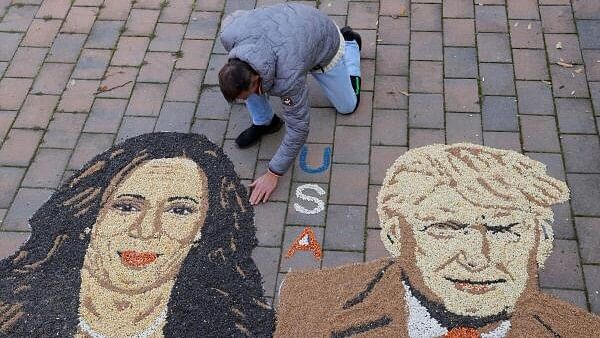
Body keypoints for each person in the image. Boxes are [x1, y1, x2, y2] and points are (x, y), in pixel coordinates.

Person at [275, 143, 600, 337]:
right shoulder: (309, 299)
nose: (478, 257)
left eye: (503, 230)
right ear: (394, 236)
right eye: (446, 228)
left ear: (540, 243)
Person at [0, 133, 275, 337]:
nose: (146, 231)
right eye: (127, 206)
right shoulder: (11, 308)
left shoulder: (233, 327)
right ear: (91, 216)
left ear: (201, 229)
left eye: (179, 211)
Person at [218, 3, 362, 205]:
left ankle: (351, 46)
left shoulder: (288, 78)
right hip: (291, 30)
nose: (246, 100)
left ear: (257, 76)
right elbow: (238, 17)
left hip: (323, 40)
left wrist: (273, 173)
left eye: (247, 94)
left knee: (348, 106)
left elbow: (299, 129)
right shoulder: (229, 35)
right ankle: (265, 122)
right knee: (251, 91)